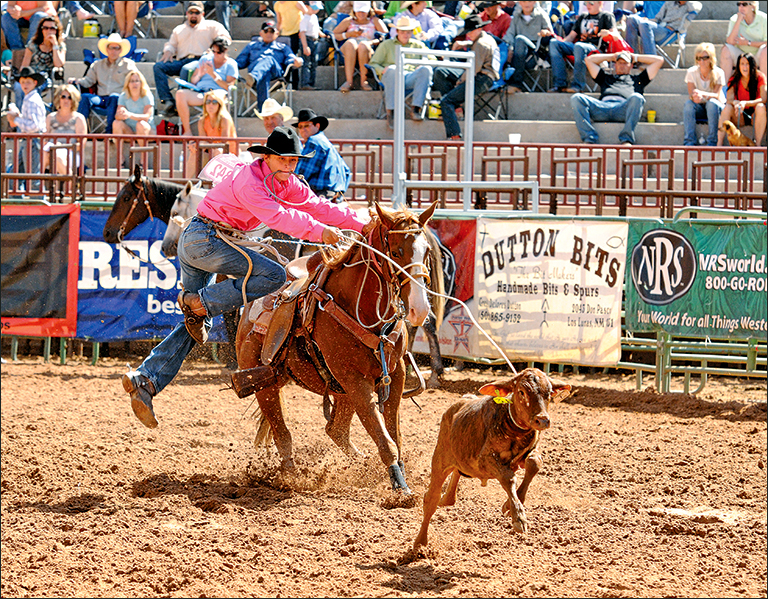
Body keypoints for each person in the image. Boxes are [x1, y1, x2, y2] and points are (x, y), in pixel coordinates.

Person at [122, 126, 370, 430]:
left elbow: (319, 207)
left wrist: (366, 224)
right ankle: (199, 304)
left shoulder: (284, 182)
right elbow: (279, 217)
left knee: (197, 323)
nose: (290, 166)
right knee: (274, 274)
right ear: (267, 158)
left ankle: (145, 380)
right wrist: (322, 232)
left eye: (294, 161)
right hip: (207, 241)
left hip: (203, 240)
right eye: (284, 160)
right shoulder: (249, 181)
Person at [153, 0, 230, 117]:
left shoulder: (212, 26)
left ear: (202, 14)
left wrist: (213, 49)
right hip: (181, 60)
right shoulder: (179, 29)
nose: (194, 15)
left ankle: (180, 106)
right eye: (191, 12)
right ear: (187, 13)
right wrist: (168, 51)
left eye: (197, 12)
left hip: (201, 62)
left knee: (186, 68)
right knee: (158, 67)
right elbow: (171, 44)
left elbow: (225, 39)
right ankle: (167, 101)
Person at [570, 50, 663, 145]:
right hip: (602, 108)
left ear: (631, 66)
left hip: (623, 110)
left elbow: (659, 60)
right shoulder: (605, 78)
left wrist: (634, 57)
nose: (622, 65)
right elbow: (588, 60)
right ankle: (589, 138)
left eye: (625, 63)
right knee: (577, 98)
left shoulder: (638, 80)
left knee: (637, 97)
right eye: (619, 63)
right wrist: (612, 56)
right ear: (615, 65)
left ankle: (626, 139)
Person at [433, 14, 499, 141]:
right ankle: (455, 109)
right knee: (441, 72)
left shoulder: (480, 44)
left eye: (470, 32)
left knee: (446, 101)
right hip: (483, 75)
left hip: (481, 78)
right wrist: (467, 43)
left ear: (478, 29)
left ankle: (455, 135)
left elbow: (473, 70)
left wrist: (460, 82)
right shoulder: (485, 38)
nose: (468, 34)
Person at [368, 14, 434, 127]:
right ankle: (391, 112)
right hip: (391, 77)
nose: (405, 34)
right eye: (403, 31)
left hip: (410, 77)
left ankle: (416, 108)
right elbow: (373, 63)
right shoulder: (386, 45)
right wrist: (383, 70)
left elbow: (433, 59)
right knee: (393, 69)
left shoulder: (418, 45)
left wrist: (423, 63)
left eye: (408, 32)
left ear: (412, 32)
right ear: (397, 31)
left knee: (426, 69)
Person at [69, 33, 135, 134]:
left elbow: (135, 81)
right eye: (111, 48)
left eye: (117, 48)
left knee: (114, 97)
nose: (114, 51)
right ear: (107, 49)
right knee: (85, 97)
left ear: (120, 50)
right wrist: (77, 81)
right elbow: (88, 81)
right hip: (101, 98)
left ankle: (110, 132)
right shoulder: (97, 64)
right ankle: (78, 130)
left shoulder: (128, 65)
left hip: (119, 100)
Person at [548, 0, 616, 93]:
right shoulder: (583, 17)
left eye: (591, 3)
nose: (588, 5)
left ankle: (578, 86)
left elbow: (615, 36)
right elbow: (571, 37)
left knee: (579, 46)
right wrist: (557, 39)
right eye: (586, 3)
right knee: (554, 43)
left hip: (596, 49)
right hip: (579, 48)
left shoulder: (606, 16)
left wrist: (608, 33)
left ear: (600, 3)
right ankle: (559, 85)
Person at [175, 36, 238, 136]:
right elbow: (193, 81)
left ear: (225, 51)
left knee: (213, 98)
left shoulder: (231, 64)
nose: (215, 55)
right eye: (214, 52)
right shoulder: (205, 59)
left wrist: (213, 75)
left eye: (219, 52)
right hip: (202, 92)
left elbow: (229, 87)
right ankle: (187, 131)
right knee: (180, 94)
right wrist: (200, 74)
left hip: (219, 94)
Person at [235, 20, 303, 111]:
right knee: (264, 75)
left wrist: (297, 61)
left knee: (268, 59)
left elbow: (291, 59)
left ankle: (254, 77)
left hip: (275, 73)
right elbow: (240, 62)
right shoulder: (251, 46)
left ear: (277, 33)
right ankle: (264, 111)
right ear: (261, 33)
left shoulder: (282, 47)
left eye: (272, 31)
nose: (269, 34)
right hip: (262, 75)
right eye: (266, 31)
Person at [293, 108, 351, 201]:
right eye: (300, 127)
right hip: (334, 196)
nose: (303, 130)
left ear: (317, 125)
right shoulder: (325, 142)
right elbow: (346, 171)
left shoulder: (314, 142)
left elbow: (302, 175)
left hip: (320, 195)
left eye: (307, 125)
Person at [501, 0, 554, 94]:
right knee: (505, 44)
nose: (527, 4)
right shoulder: (516, 17)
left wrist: (546, 32)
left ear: (534, 2)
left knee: (520, 39)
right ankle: (497, 82)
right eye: (524, 1)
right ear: (519, 3)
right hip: (518, 53)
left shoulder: (541, 15)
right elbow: (509, 35)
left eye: (530, 1)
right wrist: (509, 47)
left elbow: (551, 33)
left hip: (535, 55)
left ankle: (516, 84)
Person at [334, 1, 388, 92]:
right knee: (351, 43)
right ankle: (349, 82)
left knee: (363, 45)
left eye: (363, 11)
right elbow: (334, 35)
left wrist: (372, 42)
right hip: (349, 49)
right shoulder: (348, 21)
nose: (361, 13)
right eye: (359, 11)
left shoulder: (375, 21)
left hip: (367, 48)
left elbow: (385, 36)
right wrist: (348, 34)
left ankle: (364, 81)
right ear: (354, 11)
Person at [7, 67, 47, 188]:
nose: (25, 85)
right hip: (30, 140)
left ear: (35, 83)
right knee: (17, 174)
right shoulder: (31, 98)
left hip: (32, 140)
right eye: (23, 82)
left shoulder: (31, 100)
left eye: (28, 82)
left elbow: (34, 126)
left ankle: (39, 203)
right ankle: (19, 201)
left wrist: (16, 119)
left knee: (33, 176)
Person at [13, 15, 66, 106]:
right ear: (41, 30)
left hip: (45, 77)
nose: (48, 31)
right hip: (30, 74)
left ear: (56, 30)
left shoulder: (60, 46)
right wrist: (24, 78)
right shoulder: (33, 44)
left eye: (52, 28)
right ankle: (21, 114)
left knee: (35, 87)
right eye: (45, 28)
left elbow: (58, 64)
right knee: (18, 87)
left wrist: (55, 46)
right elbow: (25, 65)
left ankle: (33, 113)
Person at [717, 52, 767, 146]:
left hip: (755, 115)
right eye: (742, 64)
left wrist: (745, 103)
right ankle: (719, 143)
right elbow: (729, 99)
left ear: (751, 65)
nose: (744, 67)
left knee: (761, 107)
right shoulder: (734, 78)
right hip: (739, 114)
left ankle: (758, 144)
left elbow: (764, 99)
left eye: (747, 64)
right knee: (727, 108)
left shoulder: (760, 77)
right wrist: (736, 102)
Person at [186, 89, 238, 178]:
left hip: (229, 153)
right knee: (194, 151)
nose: (210, 105)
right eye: (208, 102)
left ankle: (216, 185)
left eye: (214, 102)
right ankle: (185, 184)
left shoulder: (225, 119)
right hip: (211, 150)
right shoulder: (202, 121)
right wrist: (195, 145)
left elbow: (224, 143)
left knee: (218, 151)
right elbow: (203, 141)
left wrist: (210, 147)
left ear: (219, 105)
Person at [683, 42, 725, 146]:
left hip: (716, 108)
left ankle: (712, 141)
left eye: (705, 58)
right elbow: (691, 94)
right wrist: (695, 97)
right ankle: (689, 141)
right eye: (698, 58)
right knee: (688, 104)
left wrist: (702, 94)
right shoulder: (691, 72)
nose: (701, 61)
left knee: (711, 103)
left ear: (711, 58)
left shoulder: (719, 72)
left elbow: (717, 95)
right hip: (700, 106)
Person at [624, 0, 700, 55]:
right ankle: (632, 57)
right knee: (631, 19)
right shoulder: (669, 3)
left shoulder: (691, 6)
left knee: (645, 24)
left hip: (671, 32)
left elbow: (697, 7)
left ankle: (650, 59)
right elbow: (658, 18)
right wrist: (649, 21)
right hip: (659, 27)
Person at [42, 83, 87, 175]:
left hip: (71, 154)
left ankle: (70, 183)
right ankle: (37, 186)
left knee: (57, 155)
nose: (66, 100)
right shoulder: (50, 117)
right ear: (58, 98)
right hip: (50, 152)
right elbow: (44, 139)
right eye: (63, 97)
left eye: (69, 97)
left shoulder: (79, 118)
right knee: (43, 155)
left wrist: (61, 147)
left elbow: (81, 144)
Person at [720, 0, 767, 84]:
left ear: (753, 6)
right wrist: (738, 21)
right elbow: (730, 42)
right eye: (739, 4)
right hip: (740, 57)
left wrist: (748, 43)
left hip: (758, 56)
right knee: (726, 50)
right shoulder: (734, 19)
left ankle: (765, 86)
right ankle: (724, 88)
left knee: (765, 50)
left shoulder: (764, 18)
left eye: (744, 4)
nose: (741, 7)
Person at [113, 70, 154, 163]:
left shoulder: (147, 95)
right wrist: (121, 114)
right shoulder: (123, 96)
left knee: (141, 124)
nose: (134, 83)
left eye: (137, 81)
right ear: (127, 84)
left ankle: (143, 160)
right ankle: (120, 159)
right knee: (116, 123)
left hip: (147, 131)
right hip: (130, 131)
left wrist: (129, 115)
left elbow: (147, 116)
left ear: (141, 83)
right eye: (131, 81)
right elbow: (117, 116)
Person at [274, 0, 308, 89]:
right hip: (284, 35)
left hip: (296, 33)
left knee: (294, 58)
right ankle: (285, 82)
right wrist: (276, 33)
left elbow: (306, 14)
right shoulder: (277, 5)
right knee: (285, 58)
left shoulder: (295, 2)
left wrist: (303, 30)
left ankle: (295, 85)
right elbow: (279, 21)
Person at [298, 1, 324, 90]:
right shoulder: (304, 19)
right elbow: (302, 33)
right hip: (307, 41)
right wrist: (305, 46)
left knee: (314, 63)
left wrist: (322, 34)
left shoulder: (314, 17)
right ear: (307, 6)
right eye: (314, 8)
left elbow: (316, 29)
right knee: (306, 63)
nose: (316, 10)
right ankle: (305, 83)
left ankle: (311, 84)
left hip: (315, 41)